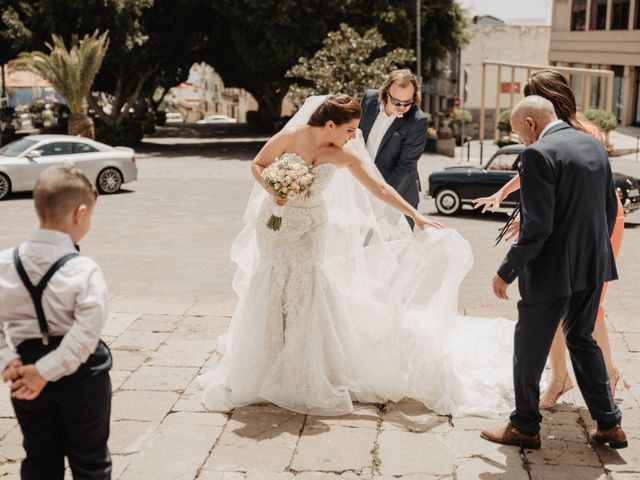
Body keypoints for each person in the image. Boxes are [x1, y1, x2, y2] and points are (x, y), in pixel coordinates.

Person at [198, 94, 516, 417]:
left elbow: (379, 188)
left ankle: (301, 365)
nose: (354, 137)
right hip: (276, 223)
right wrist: (273, 188)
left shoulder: (344, 154)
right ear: (331, 124)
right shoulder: (291, 136)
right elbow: (259, 164)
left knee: (305, 284)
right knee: (272, 278)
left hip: (310, 227)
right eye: (349, 130)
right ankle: (265, 360)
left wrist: (415, 215)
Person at [480, 96, 626, 450]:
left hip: (551, 270)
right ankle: (609, 424)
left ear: (531, 123)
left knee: (528, 347)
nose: (523, 140)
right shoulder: (593, 144)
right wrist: (595, 254)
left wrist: (507, 270)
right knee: (581, 338)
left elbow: (537, 226)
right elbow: (608, 208)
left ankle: (525, 426)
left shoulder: (537, 154)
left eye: (520, 132)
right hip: (593, 263)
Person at [0, 165, 112, 479]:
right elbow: (86, 334)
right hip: (82, 375)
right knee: (90, 460)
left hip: (24, 371)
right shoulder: (84, 269)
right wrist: (45, 373)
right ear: (79, 213)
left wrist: (8, 361)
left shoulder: (4, 263)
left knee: (39, 457)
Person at [360, 69, 427, 228]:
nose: (402, 107)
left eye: (408, 102)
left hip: (398, 199)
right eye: (397, 102)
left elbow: (405, 168)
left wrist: (377, 195)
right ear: (385, 93)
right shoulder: (369, 100)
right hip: (361, 193)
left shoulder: (418, 121)